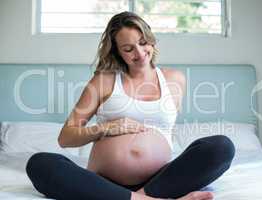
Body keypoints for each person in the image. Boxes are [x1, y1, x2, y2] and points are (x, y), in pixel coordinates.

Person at [26, 11, 235, 200]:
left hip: (160, 182)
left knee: (221, 147)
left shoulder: (175, 79)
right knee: (40, 164)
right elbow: (65, 138)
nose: (140, 52)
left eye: (143, 42)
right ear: (117, 52)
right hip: (103, 183)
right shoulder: (104, 81)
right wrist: (104, 129)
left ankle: (140, 197)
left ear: (151, 41)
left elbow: (166, 131)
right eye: (128, 48)